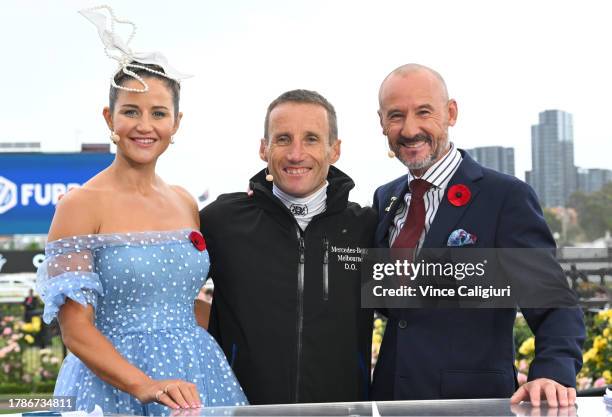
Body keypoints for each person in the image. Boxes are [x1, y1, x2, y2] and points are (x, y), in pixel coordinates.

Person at [36, 7, 246, 415]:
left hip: (197, 378)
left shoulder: (185, 201)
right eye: (131, 111)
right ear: (108, 117)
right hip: (113, 387)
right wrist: (145, 385)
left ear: (177, 122)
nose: (144, 125)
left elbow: (180, 302)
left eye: (158, 113)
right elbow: (75, 330)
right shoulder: (80, 205)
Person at [371, 64, 585, 407]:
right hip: (392, 401)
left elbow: (554, 302)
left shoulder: (505, 197)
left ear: (451, 112)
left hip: (475, 404)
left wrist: (553, 371)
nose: (409, 129)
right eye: (396, 116)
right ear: (382, 123)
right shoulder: (386, 199)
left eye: (424, 112)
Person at [200, 89, 377, 404]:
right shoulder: (221, 221)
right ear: (263, 148)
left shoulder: (366, 228)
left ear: (334, 150)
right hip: (241, 411)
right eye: (283, 139)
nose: (296, 154)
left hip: (342, 411)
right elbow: (163, 295)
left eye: (311, 139)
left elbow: (432, 301)